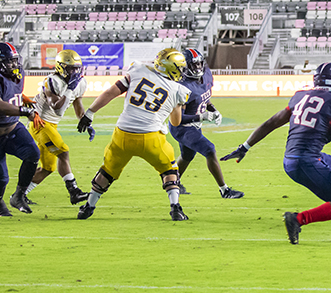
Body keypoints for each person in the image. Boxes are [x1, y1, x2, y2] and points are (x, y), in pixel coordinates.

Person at [220, 63, 331, 244]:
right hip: (306, 162)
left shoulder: (301, 96)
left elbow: (272, 122)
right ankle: (298, 220)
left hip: (299, 157)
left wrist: (244, 147)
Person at [75, 48, 192, 221]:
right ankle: (175, 208)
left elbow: (110, 93)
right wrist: (177, 105)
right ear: (172, 68)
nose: (182, 72)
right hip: (151, 138)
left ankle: (88, 206)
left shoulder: (138, 70)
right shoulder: (178, 89)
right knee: (170, 169)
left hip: (122, 135)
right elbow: (175, 122)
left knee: (107, 170)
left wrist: (89, 113)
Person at [169, 48, 243, 199]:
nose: (197, 68)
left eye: (199, 64)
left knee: (187, 155)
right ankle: (224, 190)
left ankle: (174, 183)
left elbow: (204, 98)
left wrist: (214, 110)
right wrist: (202, 117)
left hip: (194, 125)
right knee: (209, 150)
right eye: (193, 65)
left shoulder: (206, 75)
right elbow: (178, 119)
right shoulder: (182, 87)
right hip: (182, 127)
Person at [24, 49, 91, 206]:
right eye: (71, 69)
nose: (75, 72)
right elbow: (57, 108)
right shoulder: (53, 81)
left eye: (77, 68)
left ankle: (19, 194)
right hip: (39, 123)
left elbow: (77, 103)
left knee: (48, 168)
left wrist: (85, 121)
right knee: (63, 151)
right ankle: (74, 191)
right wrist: (69, 89)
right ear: (61, 67)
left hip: (51, 125)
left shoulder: (80, 82)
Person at [0, 42, 42, 216]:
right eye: (10, 61)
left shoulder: (19, 74)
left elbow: (13, 93)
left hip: (13, 129)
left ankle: (18, 196)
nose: (15, 64)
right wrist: (23, 110)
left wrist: (24, 100)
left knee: (33, 153)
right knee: (1, 180)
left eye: (15, 60)